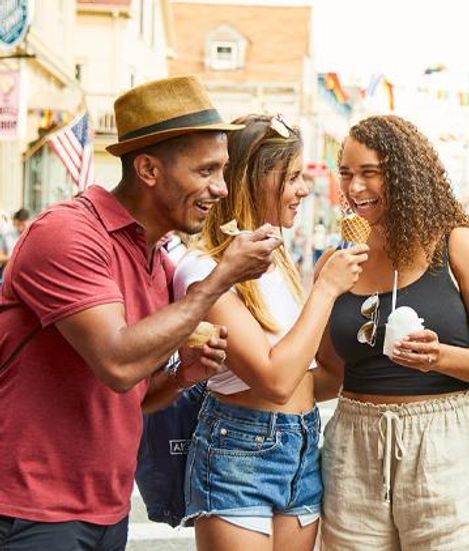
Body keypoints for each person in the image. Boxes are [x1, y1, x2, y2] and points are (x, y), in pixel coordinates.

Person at [0, 75, 281, 549]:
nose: (219, 189)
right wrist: (219, 279)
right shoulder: (68, 234)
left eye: (223, 171)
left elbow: (129, 392)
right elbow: (116, 362)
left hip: (106, 509)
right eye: (205, 171)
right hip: (33, 509)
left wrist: (181, 377)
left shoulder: (156, 257)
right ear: (148, 170)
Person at [314, 115, 469, 549]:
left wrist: (440, 357)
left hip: (444, 443)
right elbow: (329, 374)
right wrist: (242, 385)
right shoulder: (337, 262)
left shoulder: (459, 245)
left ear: (405, 175)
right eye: (346, 173)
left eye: (370, 173)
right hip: (354, 445)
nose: (355, 187)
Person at [173, 114, 368, 550]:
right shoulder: (204, 269)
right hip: (239, 450)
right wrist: (324, 291)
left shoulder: (275, 261)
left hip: (302, 445)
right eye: (293, 177)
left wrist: (339, 302)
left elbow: (320, 382)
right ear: (251, 179)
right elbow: (276, 380)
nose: (304, 189)